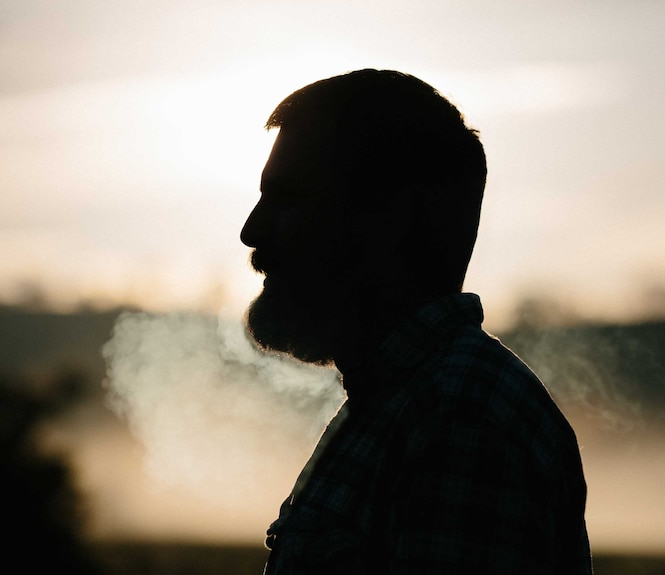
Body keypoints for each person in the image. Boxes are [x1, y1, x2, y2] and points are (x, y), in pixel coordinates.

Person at [241, 69, 593, 574]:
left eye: (289, 198)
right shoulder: (404, 403)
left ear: (387, 216)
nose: (251, 231)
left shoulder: (458, 419)